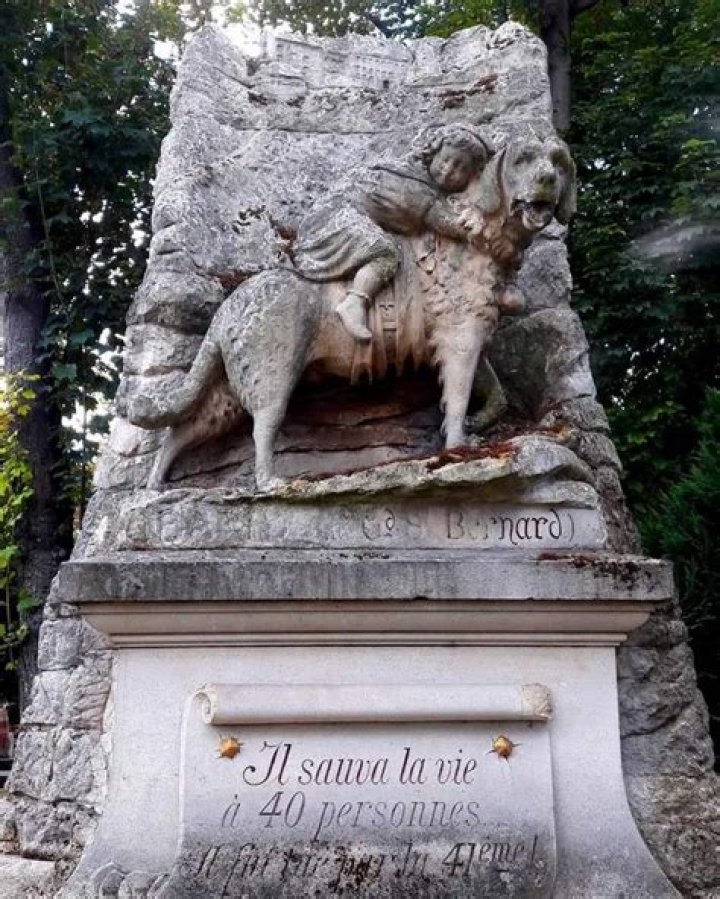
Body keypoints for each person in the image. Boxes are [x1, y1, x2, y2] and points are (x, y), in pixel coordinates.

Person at [293, 124, 491, 342]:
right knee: (382, 251)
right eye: (446, 160)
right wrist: (485, 221)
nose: (448, 171)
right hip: (332, 221)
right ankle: (354, 303)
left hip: (345, 218)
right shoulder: (411, 183)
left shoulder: (422, 184)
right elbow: (448, 223)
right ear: (433, 153)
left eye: (460, 168)